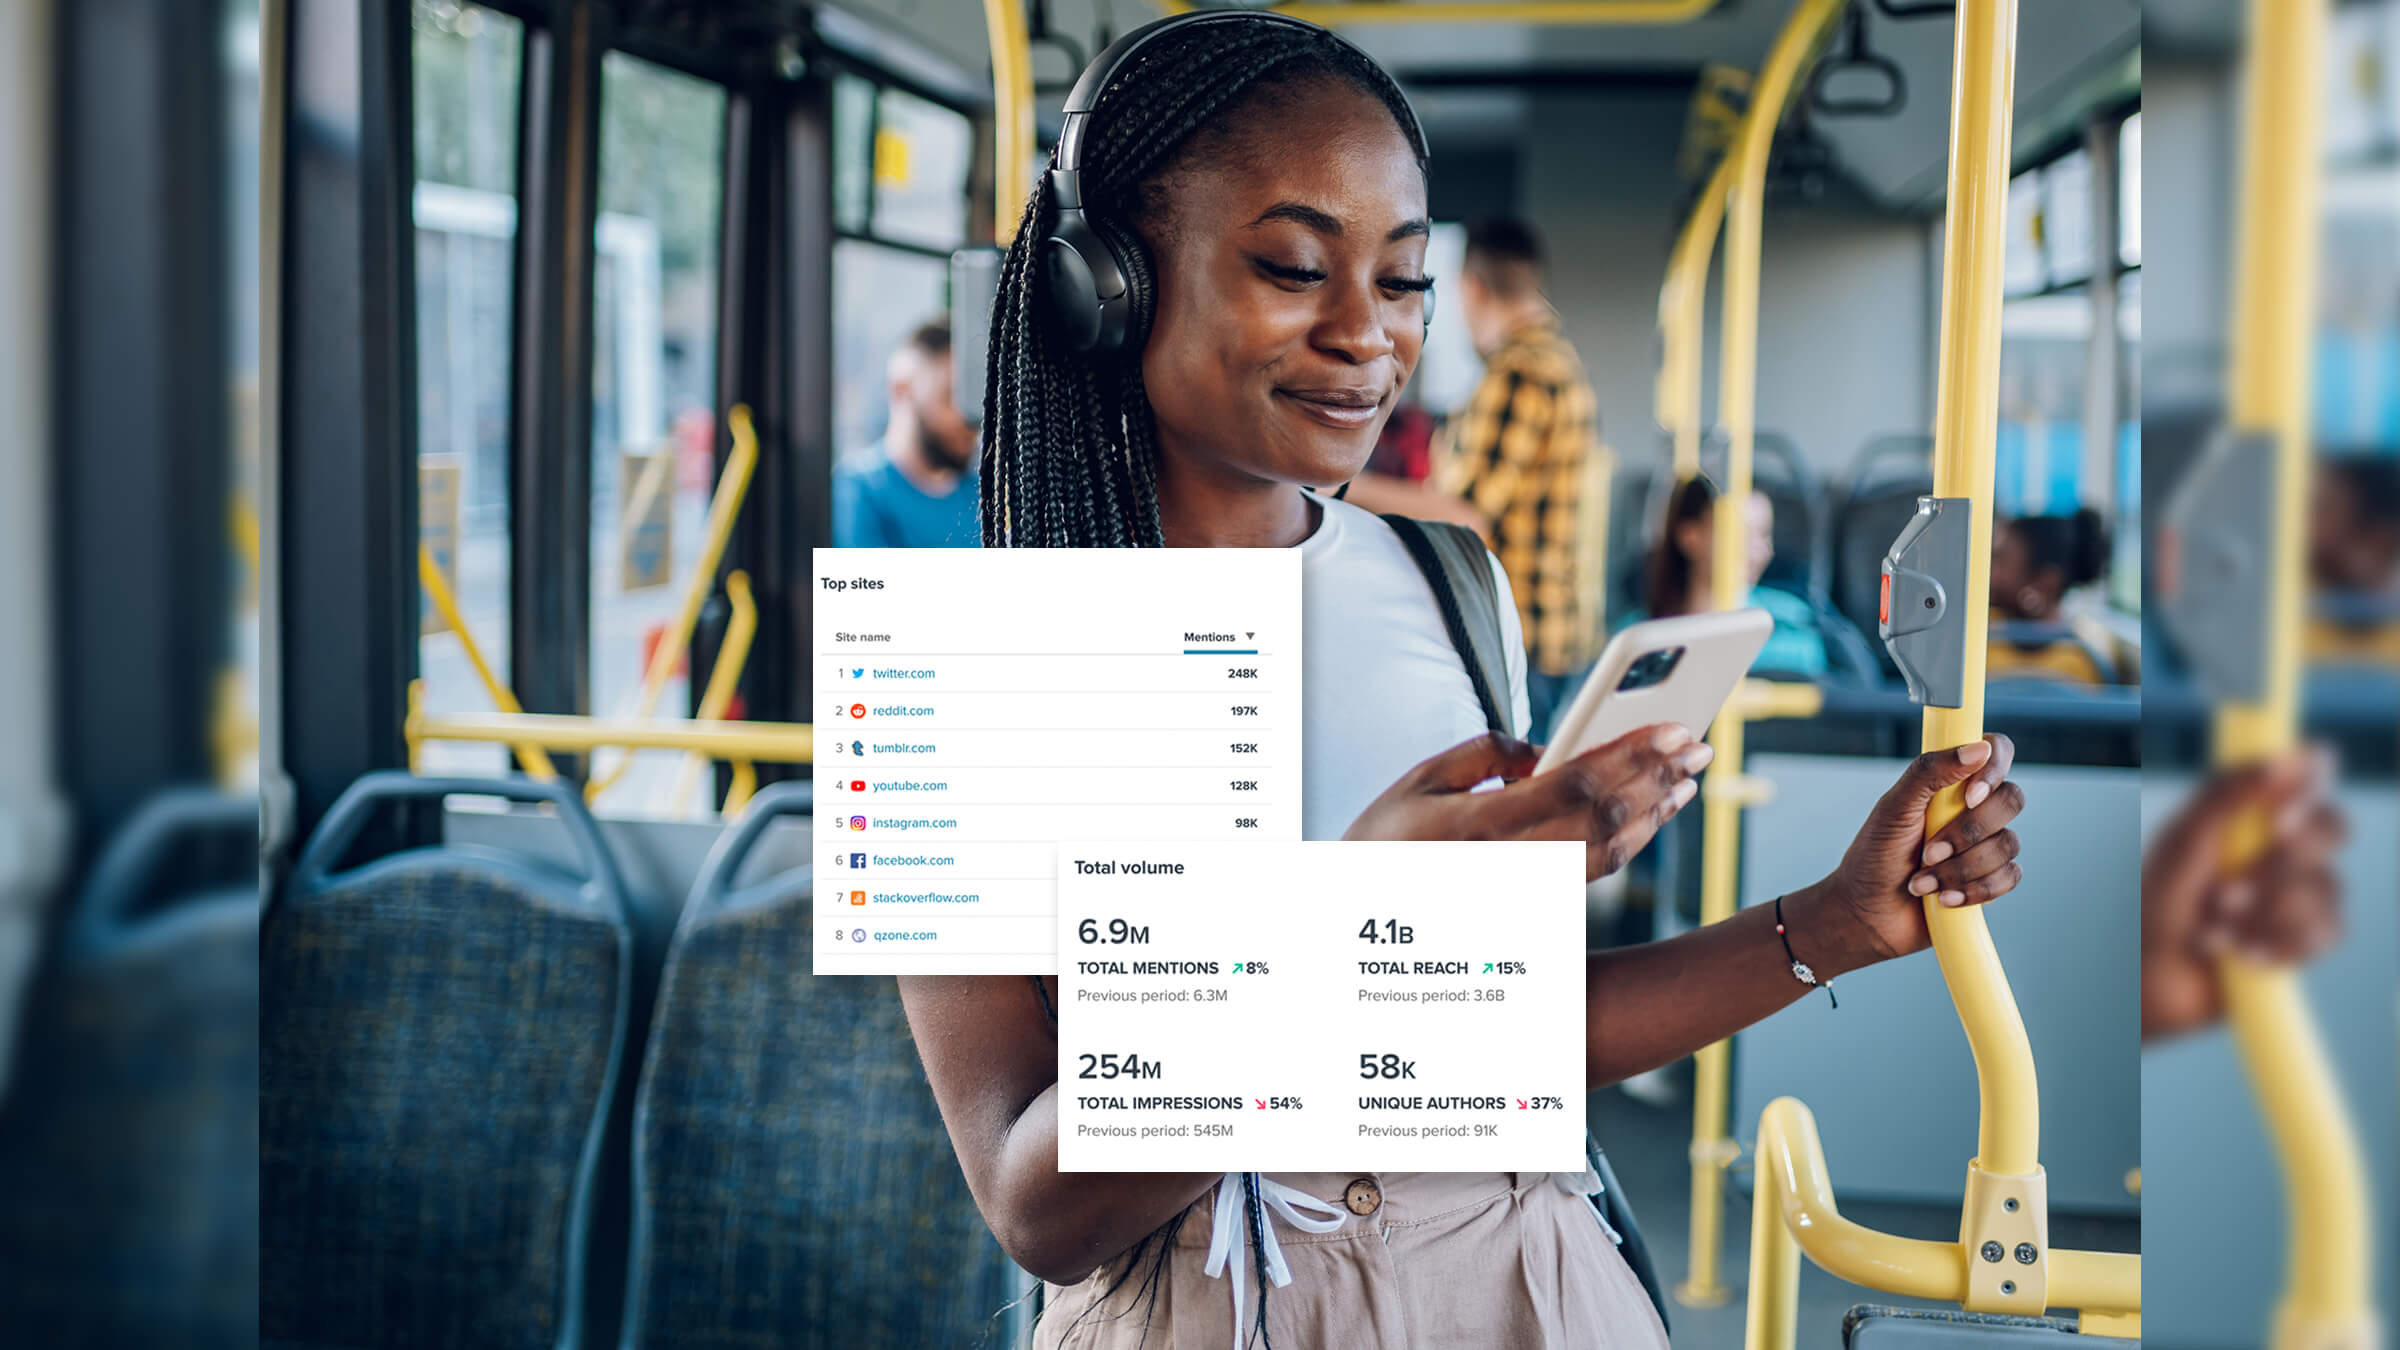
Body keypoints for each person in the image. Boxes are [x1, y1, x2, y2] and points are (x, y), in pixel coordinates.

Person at [898, 15, 2030, 1349]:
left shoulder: (1449, 583)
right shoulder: (967, 663)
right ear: (1109, 285)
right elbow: (1036, 1207)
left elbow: (1495, 1037)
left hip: (1524, 1278)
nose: (1366, 335)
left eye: (1404, 280)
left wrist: (1835, 918)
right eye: (1295, 267)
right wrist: (1348, 926)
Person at [1616, 474, 1827, 678]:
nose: (1759, 551)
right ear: (1689, 536)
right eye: (1741, 534)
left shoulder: (1795, 624)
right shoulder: (1636, 637)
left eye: (1763, 534)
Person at [832, 318, 980, 547]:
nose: (968, 419)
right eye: (950, 396)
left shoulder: (982, 497)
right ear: (901, 389)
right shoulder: (857, 490)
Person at [1986, 508, 2128, 684]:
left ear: (2045, 582)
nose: (1989, 571)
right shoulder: (1981, 632)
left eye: (2001, 560)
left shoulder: (2083, 662)